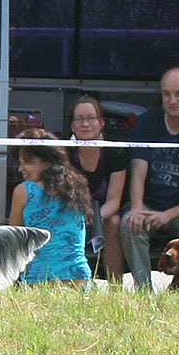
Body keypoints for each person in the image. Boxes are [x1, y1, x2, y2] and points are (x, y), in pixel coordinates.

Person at [119, 67, 179, 290]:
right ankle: (144, 291)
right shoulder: (146, 124)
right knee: (129, 223)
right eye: (166, 94)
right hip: (148, 207)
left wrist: (167, 215)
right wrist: (137, 208)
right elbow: (138, 172)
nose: (172, 100)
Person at [9, 128, 94, 289]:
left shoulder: (24, 191)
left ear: (48, 163)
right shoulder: (77, 188)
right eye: (20, 163)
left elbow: (13, 241)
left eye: (28, 162)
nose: (21, 168)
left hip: (38, 280)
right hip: (80, 280)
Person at [68, 96, 127, 282]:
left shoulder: (115, 152)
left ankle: (115, 287)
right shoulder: (64, 153)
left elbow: (114, 200)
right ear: (72, 126)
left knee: (113, 223)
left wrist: (95, 219)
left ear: (101, 123)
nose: (85, 124)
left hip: (105, 210)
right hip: (73, 208)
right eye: (79, 119)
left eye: (91, 118)